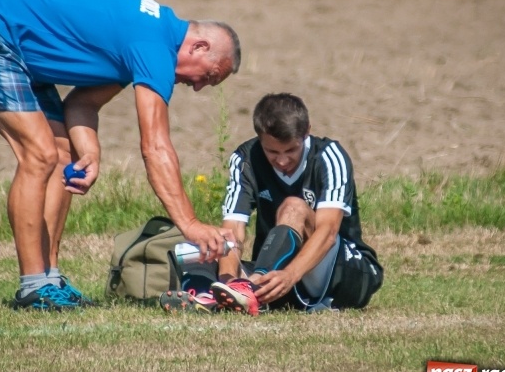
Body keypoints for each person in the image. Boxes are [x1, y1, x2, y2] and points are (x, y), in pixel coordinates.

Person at [0, 0, 241, 311]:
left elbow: (82, 103)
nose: (199, 86)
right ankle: (31, 287)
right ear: (199, 46)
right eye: (209, 76)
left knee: (61, 152)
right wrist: (189, 224)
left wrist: (89, 150)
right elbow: (155, 147)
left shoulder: (152, 36)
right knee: (38, 155)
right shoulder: (154, 45)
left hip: (17, 44)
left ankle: (49, 280)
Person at [160, 93, 382, 315]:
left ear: (307, 132)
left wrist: (290, 275)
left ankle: (250, 287)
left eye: (291, 150)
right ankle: (205, 298)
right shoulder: (246, 158)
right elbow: (232, 231)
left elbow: (328, 231)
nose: (283, 161)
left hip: (344, 273)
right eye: (272, 152)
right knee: (197, 247)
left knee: (293, 207)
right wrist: (228, 281)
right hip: (276, 279)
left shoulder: (329, 156)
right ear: (259, 138)